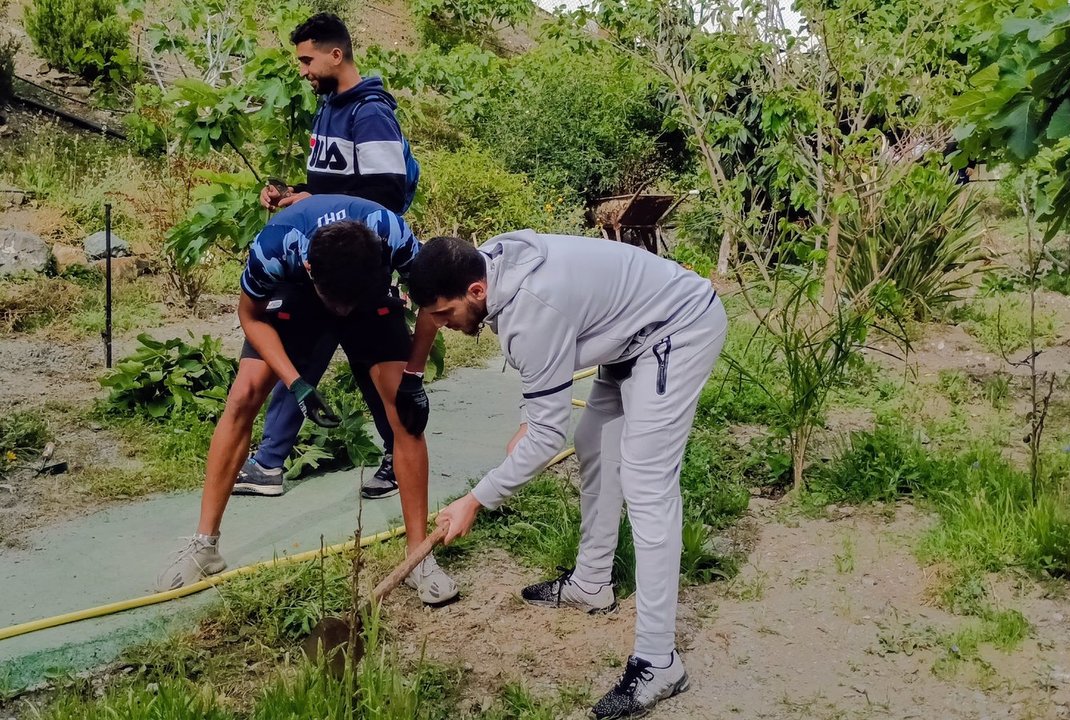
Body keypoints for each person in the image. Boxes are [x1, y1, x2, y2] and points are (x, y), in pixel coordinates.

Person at [409, 231, 727, 719]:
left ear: (475, 291)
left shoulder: (532, 305)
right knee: (593, 442)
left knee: (646, 480)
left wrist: (474, 500)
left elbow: (544, 437)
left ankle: (659, 660)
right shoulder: (492, 268)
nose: (443, 326)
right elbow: (543, 372)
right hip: (628, 335)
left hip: (676, 328)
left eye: (444, 314)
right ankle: (592, 582)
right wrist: (526, 419)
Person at [156, 194, 458, 607]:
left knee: (405, 416)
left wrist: (414, 376)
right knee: (243, 396)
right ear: (311, 266)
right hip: (301, 298)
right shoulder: (275, 245)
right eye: (338, 302)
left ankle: (417, 556)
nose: (342, 311)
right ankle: (204, 545)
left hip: (371, 302)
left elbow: (432, 300)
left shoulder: (392, 233)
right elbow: (250, 316)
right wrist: (296, 382)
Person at [239, 12, 418, 500]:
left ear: (335, 54)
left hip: (357, 261)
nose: (303, 70)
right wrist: (294, 193)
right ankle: (270, 462)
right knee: (300, 351)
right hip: (321, 253)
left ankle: (397, 454)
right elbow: (331, 183)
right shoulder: (329, 106)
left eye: (307, 59)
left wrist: (314, 205)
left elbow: (384, 193)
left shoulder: (371, 112)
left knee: (375, 363)